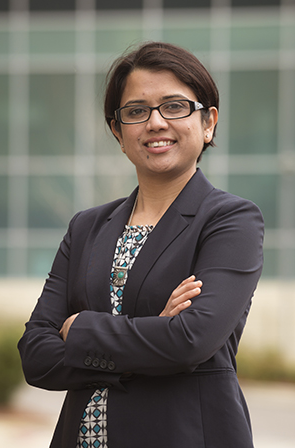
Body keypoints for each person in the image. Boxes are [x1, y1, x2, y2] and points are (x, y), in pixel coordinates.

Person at [18, 41, 264, 448]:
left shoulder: (229, 219)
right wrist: (152, 337)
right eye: (136, 111)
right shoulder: (86, 227)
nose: (155, 123)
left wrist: (78, 328)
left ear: (208, 123)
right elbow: (35, 356)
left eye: (174, 106)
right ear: (118, 131)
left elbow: (190, 341)